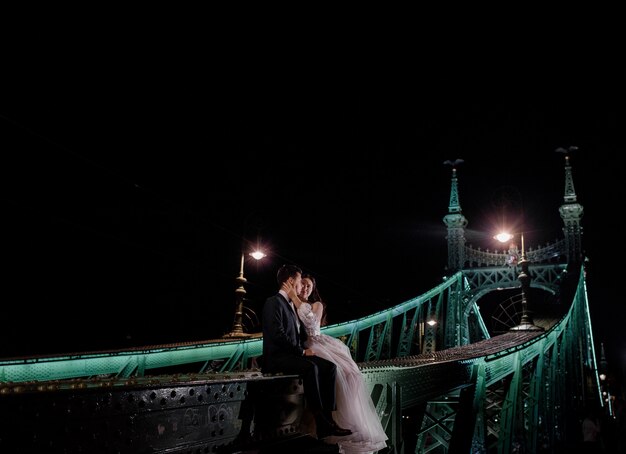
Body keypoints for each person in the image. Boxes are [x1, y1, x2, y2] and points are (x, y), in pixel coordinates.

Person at [286, 273, 388, 454]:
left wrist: (294, 297)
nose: (306, 288)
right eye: (303, 284)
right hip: (308, 346)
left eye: (309, 285)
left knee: (352, 374)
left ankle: (349, 423)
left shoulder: (316, 305)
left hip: (320, 342)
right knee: (338, 375)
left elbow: (311, 320)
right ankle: (330, 423)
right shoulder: (290, 303)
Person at [261, 264, 352, 440]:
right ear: (289, 282)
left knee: (330, 367)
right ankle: (320, 421)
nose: (300, 287)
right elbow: (278, 336)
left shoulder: (291, 306)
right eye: (297, 283)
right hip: (277, 358)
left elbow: (303, 331)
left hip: (291, 355)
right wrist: (302, 353)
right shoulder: (273, 302)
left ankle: (329, 419)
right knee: (311, 368)